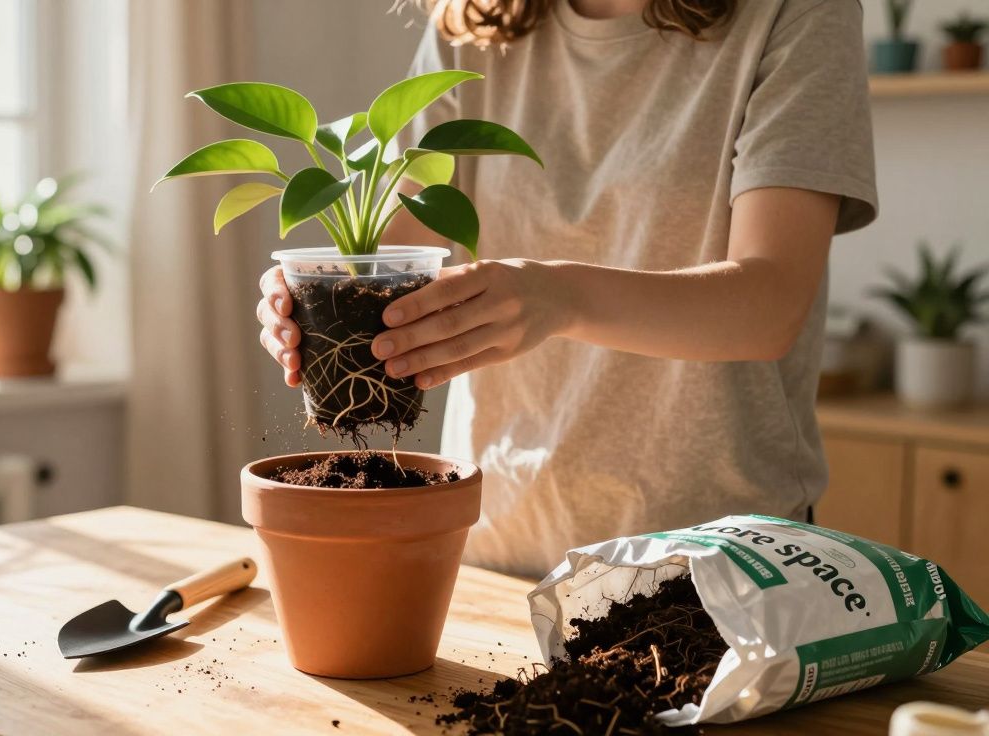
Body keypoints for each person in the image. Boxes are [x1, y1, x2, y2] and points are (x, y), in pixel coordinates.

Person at [256, 0, 877, 578]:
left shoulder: (794, 13)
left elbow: (767, 308)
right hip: (492, 548)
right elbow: (395, 247)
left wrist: (558, 297)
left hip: (711, 567)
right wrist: (312, 296)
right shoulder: (478, 22)